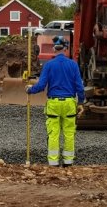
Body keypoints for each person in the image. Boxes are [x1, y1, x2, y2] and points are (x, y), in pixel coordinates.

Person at [26, 36, 85, 167]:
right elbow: (79, 87)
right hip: (69, 103)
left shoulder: (49, 65)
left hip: (53, 103)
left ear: (54, 49)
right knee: (69, 133)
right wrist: (81, 102)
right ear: (66, 49)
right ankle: (68, 162)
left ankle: (53, 162)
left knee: (53, 133)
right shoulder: (73, 65)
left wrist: (30, 90)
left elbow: (41, 86)